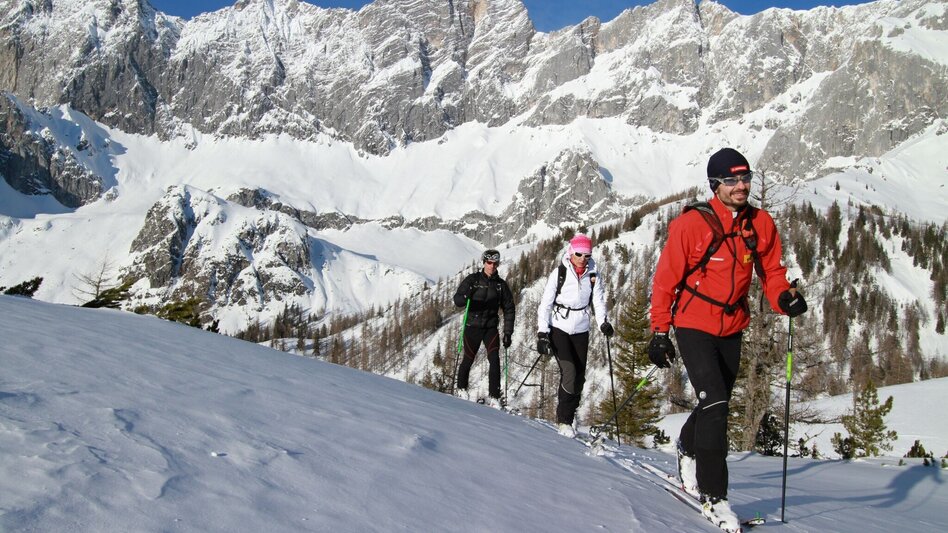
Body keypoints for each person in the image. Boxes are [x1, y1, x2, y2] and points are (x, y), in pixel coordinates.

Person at [648, 147, 808, 530]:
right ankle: (715, 498)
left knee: (714, 402)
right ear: (715, 184)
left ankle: (687, 445)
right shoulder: (691, 225)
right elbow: (666, 279)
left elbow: (772, 272)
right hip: (693, 323)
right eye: (732, 180)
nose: (741, 186)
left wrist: (784, 298)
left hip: (733, 326)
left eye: (745, 177)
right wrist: (660, 331)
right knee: (717, 403)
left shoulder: (760, 224)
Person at [536, 234, 613, 437]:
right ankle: (564, 420)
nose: (582, 258)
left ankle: (571, 412)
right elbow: (545, 304)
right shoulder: (559, 273)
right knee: (569, 371)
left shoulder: (593, 274)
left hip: (581, 328)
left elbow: (598, 301)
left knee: (579, 376)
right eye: (579, 254)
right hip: (559, 327)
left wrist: (603, 323)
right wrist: (542, 333)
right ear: (571, 252)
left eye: (587, 255)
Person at [453, 249, 516, 408]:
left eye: (495, 263)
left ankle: (494, 397)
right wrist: (466, 296)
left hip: (490, 328)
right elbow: (457, 300)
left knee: (494, 360)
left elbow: (509, 308)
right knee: (468, 358)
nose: (492, 266)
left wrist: (508, 332)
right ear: (484, 262)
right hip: (472, 326)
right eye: (489, 262)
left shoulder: (501, 285)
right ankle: (461, 389)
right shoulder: (472, 280)